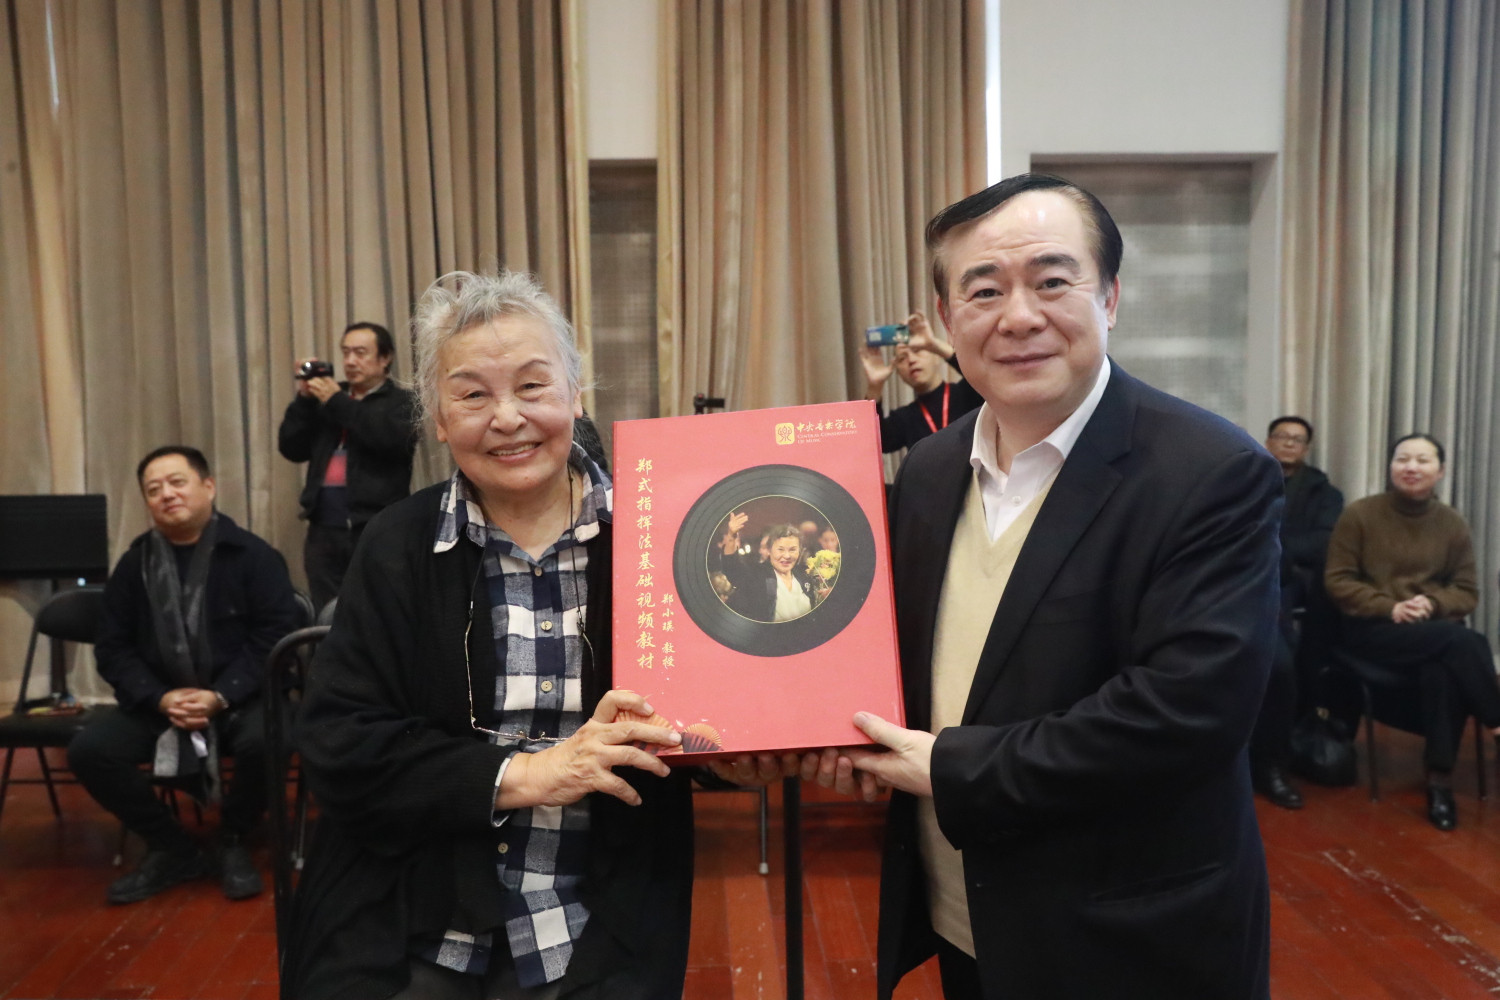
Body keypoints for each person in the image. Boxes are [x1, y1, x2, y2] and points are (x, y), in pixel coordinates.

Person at [735, 173, 1281, 999]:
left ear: (1110, 297)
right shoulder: (931, 467)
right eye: (984, 291)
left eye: (1052, 281)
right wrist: (822, 735)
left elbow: (1188, 713)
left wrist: (946, 767)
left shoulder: (1211, 471)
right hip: (967, 909)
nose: (1019, 317)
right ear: (948, 319)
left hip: (1129, 935)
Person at [285, 270, 691, 1000]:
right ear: (438, 419)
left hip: (597, 917)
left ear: (575, 392)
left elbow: (695, 713)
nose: (507, 418)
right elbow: (339, 744)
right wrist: (530, 775)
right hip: (412, 912)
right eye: (472, 395)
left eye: (533, 387)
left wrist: (744, 756)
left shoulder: (658, 532)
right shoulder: (396, 544)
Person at [69, 446, 300, 905]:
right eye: (154, 490)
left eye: (177, 482)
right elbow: (113, 649)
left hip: (240, 699)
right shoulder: (134, 565)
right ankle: (173, 847)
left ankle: (232, 837)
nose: (167, 495)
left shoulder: (253, 556)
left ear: (208, 487)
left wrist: (220, 696)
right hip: (162, 702)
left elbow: (275, 639)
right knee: (90, 751)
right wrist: (159, 697)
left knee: (269, 737)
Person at [1325, 433, 1500, 831]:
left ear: (1441, 471)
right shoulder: (1360, 515)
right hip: (1373, 631)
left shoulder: (1451, 523)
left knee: (1443, 669)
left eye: (1423, 460)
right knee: (1463, 642)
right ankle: (1496, 723)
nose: (1411, 467)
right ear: (1390, 467)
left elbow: (1467, 591)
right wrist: (1391, 607)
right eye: (1403, 459)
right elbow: (1338, 581)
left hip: (1431, 631)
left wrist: (1432, 604)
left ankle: (1439, 783)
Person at [277, 321, 418, 611]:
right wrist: (304, 400)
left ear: (385, 358)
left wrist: (336, 401)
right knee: (327, 612)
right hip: (323, 530)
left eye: (360, 353)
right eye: (346, 352)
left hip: (377, 528)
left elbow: (389, 440)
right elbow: (291, 448)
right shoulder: (327, 399)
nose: (350, 361)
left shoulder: (401, 401)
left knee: (378, 609)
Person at [1249, 417, 1344, 810]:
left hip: (1291, 586)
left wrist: (1272, 549)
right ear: (1268, 440)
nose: (1289, 443)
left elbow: (1322, 543)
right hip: (1239, 579)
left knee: (1281, 666)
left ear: (1307, 448)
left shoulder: (1325, 492)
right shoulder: (1244, 477)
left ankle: (1272, 764)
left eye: (1297, 439)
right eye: (1282, 436)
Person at [863, 311, 984, 453]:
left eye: (917, 351)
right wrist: (875, 385)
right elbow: (875, 442)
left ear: (936, 357)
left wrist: (933, 344)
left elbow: (983, 375)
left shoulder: (968, 392)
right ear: (898, 373)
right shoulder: (906, 418)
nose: (911, 360)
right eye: (902, 358)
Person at [712, 517, 818, 622]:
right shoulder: (757, 575)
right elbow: (732, 568)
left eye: (792, 550)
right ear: (769, 550)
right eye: (780, 549)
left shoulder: (804, 576)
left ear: (800, 551)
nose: (787, 556)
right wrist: (731, 537)